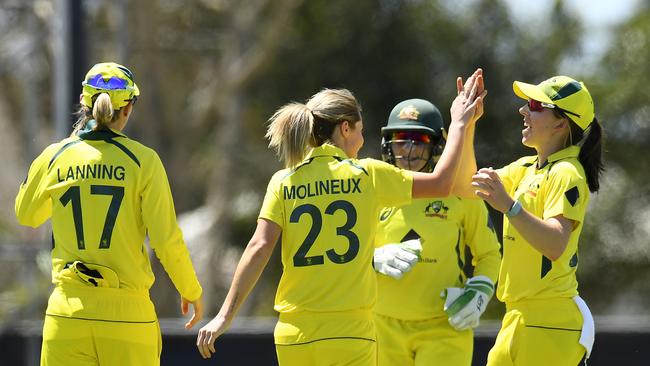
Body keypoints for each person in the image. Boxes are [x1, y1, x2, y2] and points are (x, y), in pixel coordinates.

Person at [196, 69, 487, 365]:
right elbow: (443, 183)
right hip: (349, 333)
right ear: (345, 128)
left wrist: (223, 316)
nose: (362, 139)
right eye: (360, 130)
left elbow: (258, 248)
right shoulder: (368, 174)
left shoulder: (283, 181)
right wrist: (460, 124)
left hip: (293, 335)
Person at [15, 62, 203, 366]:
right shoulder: (144, 161)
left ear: (83, 102)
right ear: (127, 108)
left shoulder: (55, 156)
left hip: (67, 315)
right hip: (128, 317)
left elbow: (26, 214)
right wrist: (190, 288)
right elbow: (166, 240)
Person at [465, 76, 601, 365]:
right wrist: (465, 124)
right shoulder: (527, 168)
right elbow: (462, 185)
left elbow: (555, 243)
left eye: (536, 105)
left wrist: (509, 206)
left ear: (561, 123)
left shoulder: (566, 172)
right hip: (517, 319)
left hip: (550, 324)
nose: (523, 111)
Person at [371, 98, 501, 366]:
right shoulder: (373, 186)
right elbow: (346, 254)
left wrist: (481, 290)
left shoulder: (460, 191)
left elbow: (489, 254)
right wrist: (371, 258)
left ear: (437, 145)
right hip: (380, 327)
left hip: (444, 328)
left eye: (418, 140)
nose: (407, 150)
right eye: (400, 139)